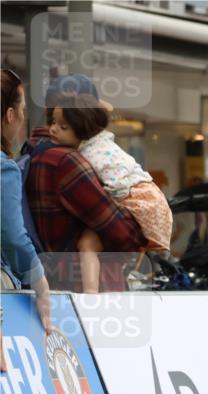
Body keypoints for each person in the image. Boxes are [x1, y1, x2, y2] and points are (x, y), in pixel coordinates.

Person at [24, 74, 145, 291]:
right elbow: (124, 234)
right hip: (87, 288)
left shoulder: (32, 152)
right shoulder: (67, 161)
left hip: (50, 283)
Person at [47, 93, 172, 293]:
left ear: (82, 130)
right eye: (53, 122)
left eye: (63, 127)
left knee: (87, 245)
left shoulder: (90, 156)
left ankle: (90, 296)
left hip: (137, 199)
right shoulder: (98, 146)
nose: (53, 129)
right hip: (146, 196)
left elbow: (116, 188)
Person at [1, 68, 51, 371]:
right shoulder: (5, 169)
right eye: (21, 109)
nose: (22, 118)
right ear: (9, 115)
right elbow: (12, 237)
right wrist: (41, 285)